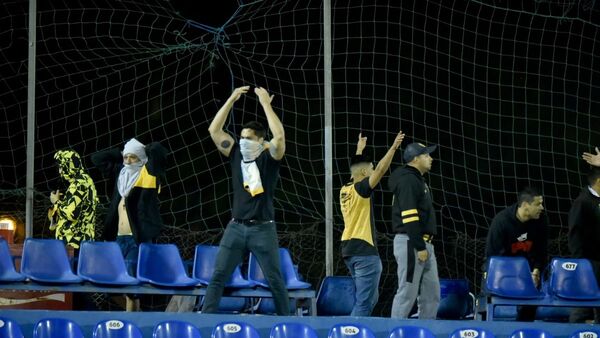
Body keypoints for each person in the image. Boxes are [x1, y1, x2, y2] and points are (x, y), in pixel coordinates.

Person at [202, 86, 290, 315]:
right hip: (236, 227)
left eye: (249, 138)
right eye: (241, 137)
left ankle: (289, 324)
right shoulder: (236, 155)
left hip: (263, 229)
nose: (243, 142)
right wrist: (231, 98)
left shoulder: (270, 158)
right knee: (218, 276)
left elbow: (279, 137)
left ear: (261, 141)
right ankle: (205, 322)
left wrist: (265, 105)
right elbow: (214, 130)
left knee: (275, 280)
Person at [91, 138, 168, 311]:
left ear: (141, 158)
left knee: (132, 287)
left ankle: (131, 323)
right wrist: (121, 152)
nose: (128, 161)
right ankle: (136, 315)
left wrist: (144, 149)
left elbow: (159, 152)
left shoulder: (149, 174)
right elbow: (96, 159)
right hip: (118, 238)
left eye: (132, 157)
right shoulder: (122, 174)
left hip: (137, 238)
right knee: (113, 285)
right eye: (126, 158)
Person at [340, 131, 405, 316]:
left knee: (370, 298)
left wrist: (360, 149)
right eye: (370, 168)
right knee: (364, 303)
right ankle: (350, 333)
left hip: (348, 249)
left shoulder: (345, 189)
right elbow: (381, 170)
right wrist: (393, 148)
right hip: (364, 250)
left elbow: (356, 169)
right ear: (363, 172)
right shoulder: (361, 190)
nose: (373, 170)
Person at [388, 142, 440, 319]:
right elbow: (409, 216)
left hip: (423, 244)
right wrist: (419, 246)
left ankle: (426, 332)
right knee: (407, 293)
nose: (430, 158)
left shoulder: (417, 179)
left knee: (432, 294)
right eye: (426, 155)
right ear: (415, 159)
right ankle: (394, 331)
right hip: (412, 243)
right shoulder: (408, 180)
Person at [484, 186, 548, 322]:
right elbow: (493, 258)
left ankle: (524, 328)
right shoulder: (501, 221)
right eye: (538, 204)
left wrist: (536, 271)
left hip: (529, 272)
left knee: (534, 294)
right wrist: (517, 274)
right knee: (487, 295)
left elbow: (541, 251)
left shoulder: (541, 221)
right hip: (503, 272)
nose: (542, 208)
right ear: (525, 205)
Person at [48, 150, 98, 251]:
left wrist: (56, 202)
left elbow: (71, 214)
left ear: (69, 166)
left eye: (62, 167)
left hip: (75, 244)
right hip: (77, 243)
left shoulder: (80, 183)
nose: (60, 171)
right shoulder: (83, 181)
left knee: (72, 267)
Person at [568, 167, 600, 323]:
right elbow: (575, 234)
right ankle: (573, 332)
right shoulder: (582, 202)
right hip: (589, 262)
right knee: (583, 304)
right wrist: (580, 262)